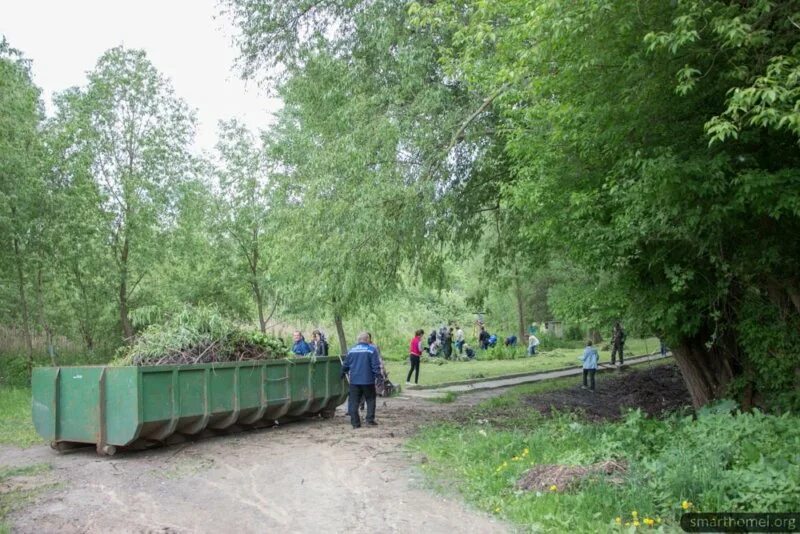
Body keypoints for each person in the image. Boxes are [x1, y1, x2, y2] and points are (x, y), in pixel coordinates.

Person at [340, 332, 381, 428]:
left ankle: (355, 423)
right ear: (367, 339)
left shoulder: (352, 350)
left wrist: (342, 372)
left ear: (358, 340)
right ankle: (369, 420)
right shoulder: (371, 350)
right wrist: (378, 377)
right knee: (370, 399)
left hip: (354, 381)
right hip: (368, 380)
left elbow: (346, 364)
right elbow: (375, 365)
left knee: (354, 401)